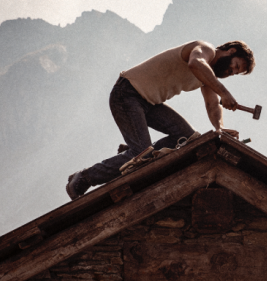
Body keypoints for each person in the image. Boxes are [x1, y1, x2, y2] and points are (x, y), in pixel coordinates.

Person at [66, 40, 255, 200]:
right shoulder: (205, 49)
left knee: (187, 137)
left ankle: (136, 153)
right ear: (231, 51)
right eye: (236, 66)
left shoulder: (208, 76)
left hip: (149, 103)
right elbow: (195, 63)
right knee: (142, 153)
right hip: (127, 93)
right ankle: (85, 177)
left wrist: (219, 129)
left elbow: (213, 105)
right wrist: (224, 92)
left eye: (236, 73)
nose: (232, 72)